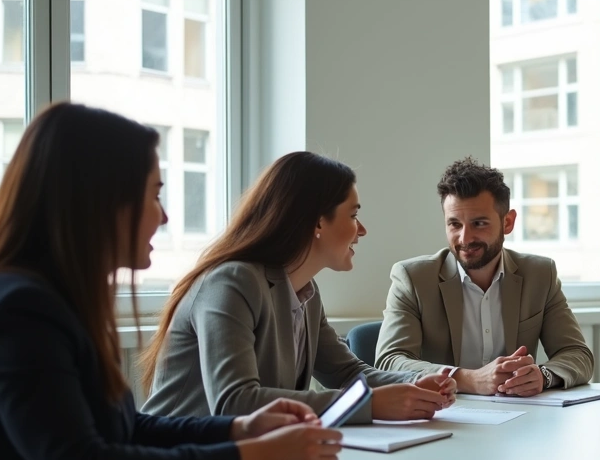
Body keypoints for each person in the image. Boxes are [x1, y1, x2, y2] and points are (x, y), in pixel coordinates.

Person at [0, 103, 341, 460]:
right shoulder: (23, 311)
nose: (164, 217)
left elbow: (126, 429)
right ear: (100, 201)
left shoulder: (61, 301)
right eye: (154, 194)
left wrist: (241, 430)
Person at [140, 153, 455, 422]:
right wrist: (369, 403)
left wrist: (417, 382)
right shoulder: (232, 283)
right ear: (318, 222)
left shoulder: (306, 292)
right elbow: (235, 402)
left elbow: (346, 373)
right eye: (353, 214)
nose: (362, 229)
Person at [375, 158, 594, 396]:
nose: (465, 238)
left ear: (507, 222)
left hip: (518, 416)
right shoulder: (413, 279)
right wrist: (467, 379)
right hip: (445, 413)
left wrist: (543, 375)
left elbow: (577, 354)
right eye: (454, 224)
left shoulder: (540, 274)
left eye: (479, 223)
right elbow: (390, 361)